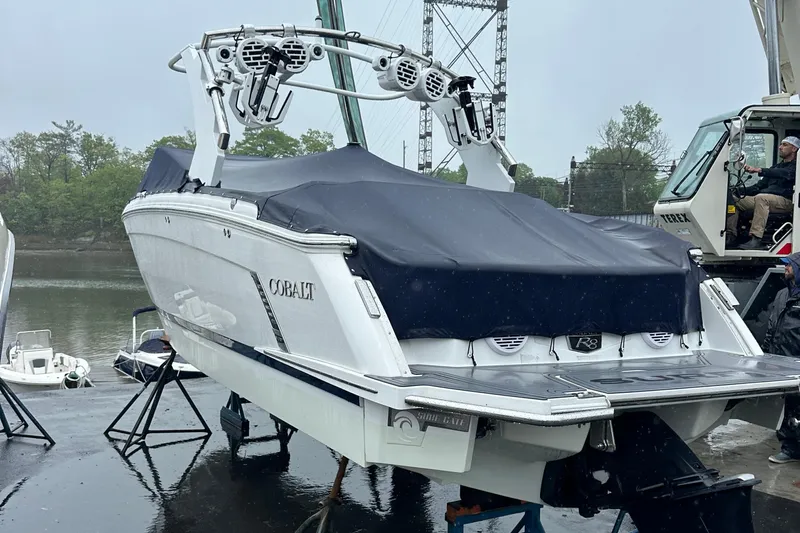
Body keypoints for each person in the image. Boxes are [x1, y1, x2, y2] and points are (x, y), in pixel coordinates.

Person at [726, 136, 799, 250]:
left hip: (787, 202)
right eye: (780, 144)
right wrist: (735, 190)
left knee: (762, 198)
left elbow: (784, 173)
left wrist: (760, 170)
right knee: (734, 199)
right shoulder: (776, 167)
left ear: (794, 149)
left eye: (784, 145)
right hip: (765, 199)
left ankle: (756, 239)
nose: (780, 147)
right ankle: (731, 235)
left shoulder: (796, 167)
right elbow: (758, 187)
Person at [763, 251, 800, 463]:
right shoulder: (781, 295)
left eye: (790, 265)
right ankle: (790, 447)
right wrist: (766, 355)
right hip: (781, 359)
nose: (785, 268)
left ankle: (792, 448)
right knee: (791, 407)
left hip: (797, 359)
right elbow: (772, 327)